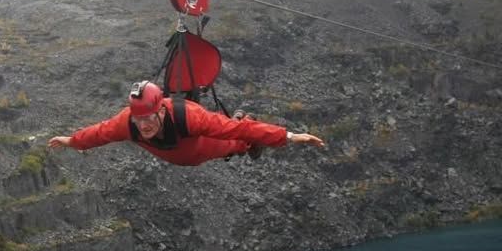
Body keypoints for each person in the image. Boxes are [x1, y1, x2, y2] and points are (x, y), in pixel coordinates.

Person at [48, 81, 325, 166]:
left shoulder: (190, 116)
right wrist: (71, 141)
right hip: (178, 154)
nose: (143, 125)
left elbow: (235, 130)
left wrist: (288, 136)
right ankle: (244, 136)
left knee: (233, 140)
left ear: (161, 112)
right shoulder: (128, 122)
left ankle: (248, 143)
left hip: (199, 146)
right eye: (138, 119)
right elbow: (99, 133)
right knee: (228, 139)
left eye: (148, 119)